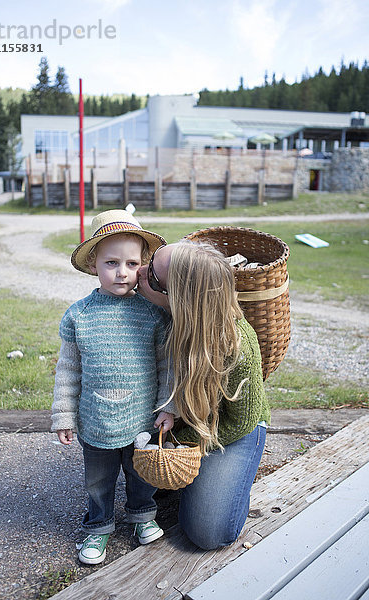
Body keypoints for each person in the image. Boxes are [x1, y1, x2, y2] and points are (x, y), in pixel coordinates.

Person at [51, 210, 176, 565]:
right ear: (93, 264)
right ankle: (98, 526)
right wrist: (64, 415)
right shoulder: (80, 315)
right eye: (111, 262)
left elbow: (167, 364)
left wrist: (169, 406)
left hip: (142, 418)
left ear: (143, 265)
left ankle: (142, 515)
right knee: (99, 481)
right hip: (95, 419)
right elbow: (68, 370)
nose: (122, 272)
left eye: (131, 263)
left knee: (141, 475)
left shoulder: (153, 314)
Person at [137, 239, 270, 550]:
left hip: (231, 428)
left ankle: (231, 483)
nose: (140, 271)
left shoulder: (236, 346)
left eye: (152, 276)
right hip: (187, 419)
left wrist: (185, 446)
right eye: (151, 260)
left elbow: (240, 422)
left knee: (206, 532)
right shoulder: (159, 312)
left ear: (181, 298)